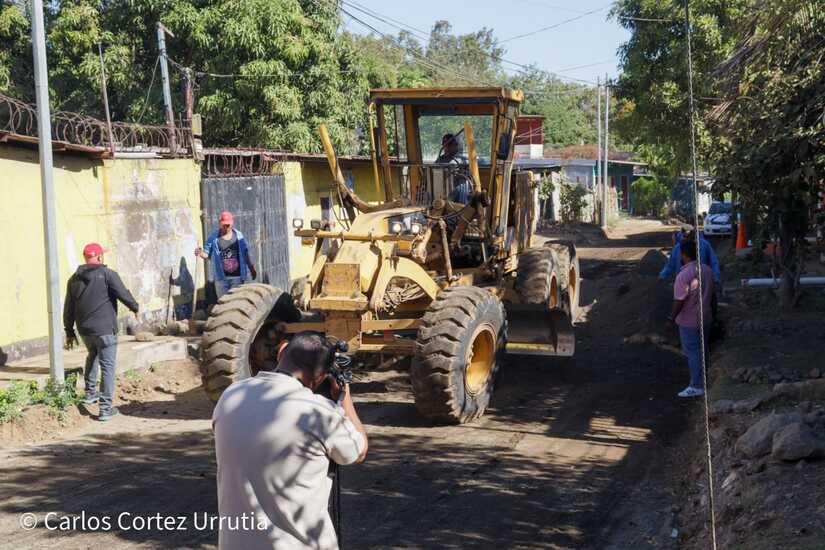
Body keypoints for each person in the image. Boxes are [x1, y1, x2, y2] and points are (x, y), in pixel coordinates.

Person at [212, 332, 368, 550]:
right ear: (321, 378)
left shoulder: (231, 395)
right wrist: (344, 397)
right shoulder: (319, 412)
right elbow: (358, 451)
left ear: (282, 350)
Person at [63, 243, 139, 421]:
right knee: (107, 367)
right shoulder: (108, 275)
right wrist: (135, 307)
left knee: (92, 354)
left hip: (85, 330)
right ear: (99, 257)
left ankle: (90, 393)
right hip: (105, 329)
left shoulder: (73, 279)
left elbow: (69, 308)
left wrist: (69, 331)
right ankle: (105, 408)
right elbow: (123, 294)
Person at [667, 239, 714, 398]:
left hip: (689, 321)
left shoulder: (683, 275)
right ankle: (705, 379)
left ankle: (697, 385)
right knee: (703, 349)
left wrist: (671, 318)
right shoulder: (707, 270)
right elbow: (713, 295)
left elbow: (679, 300)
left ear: (684, 255)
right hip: (706, 317)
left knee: (693, 352)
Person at [196, 210, 257, 299]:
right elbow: (206, 253)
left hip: (237, 277)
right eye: (224, 225)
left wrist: (251, 268)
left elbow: (245, 253)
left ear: (232, 223)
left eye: (228, 225)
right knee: (223, 303)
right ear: (220, 224)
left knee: (235, 302)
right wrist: (200, 253)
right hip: (221, 278)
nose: (226, 227)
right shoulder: (213, 238)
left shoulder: (239, 236)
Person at [436, 133, 472, 205]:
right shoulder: (441, 159)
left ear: (456, 145)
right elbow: (435, 169)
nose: (446, 147)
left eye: (449, 145)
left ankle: (461, 208)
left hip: (457, 185)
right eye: (444, 145)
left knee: (461, 187)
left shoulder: (463, 159)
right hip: (443, 186)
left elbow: (468, 173)